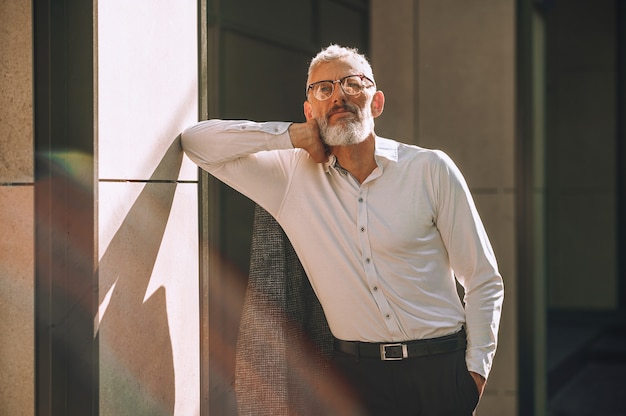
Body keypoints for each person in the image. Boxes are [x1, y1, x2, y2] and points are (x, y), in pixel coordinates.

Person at [182, 44, 504, 415]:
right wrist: (289, 136)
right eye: (324, 89)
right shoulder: (289, 179)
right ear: (310, 110)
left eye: (352, 84)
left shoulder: (430, 170)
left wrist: (474, 374)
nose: (339, 96)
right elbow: (197, 142)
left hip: (440, 370)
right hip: (355, 379)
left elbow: (482, 278)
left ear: (376, 102)